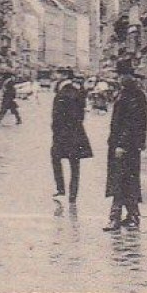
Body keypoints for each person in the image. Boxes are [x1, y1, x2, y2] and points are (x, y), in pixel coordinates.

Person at [102, 58, 147, 231]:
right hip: (124, 144)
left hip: (126, 146)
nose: (120, 79)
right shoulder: (127, 93)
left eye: (122, 76)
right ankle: (133, 217)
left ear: (129, 77)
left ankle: (115, 218)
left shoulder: (134, 95)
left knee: (121, 180)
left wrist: (121, 144)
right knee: (127, 180)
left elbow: (133, 123)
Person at [50, 67, 93, 203]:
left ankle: (61, 189)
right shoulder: (78, 92)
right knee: (75, 164)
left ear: (63, 76)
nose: (56, 76)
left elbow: (57, 117)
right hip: (76, 133)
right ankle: (73, 195)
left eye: (58, 73)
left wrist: (56, 131)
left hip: (62, 134)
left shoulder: (62, 93)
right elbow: (81, 114)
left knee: (56, 158)